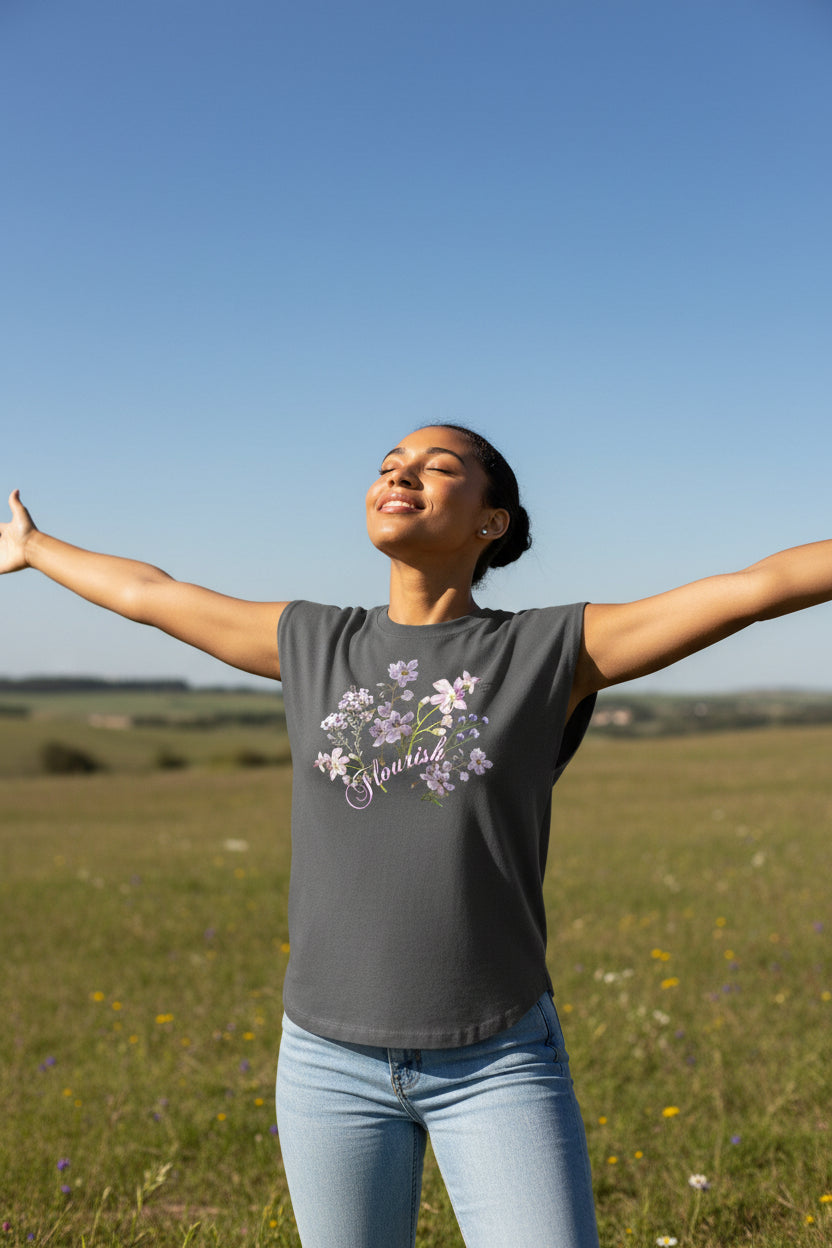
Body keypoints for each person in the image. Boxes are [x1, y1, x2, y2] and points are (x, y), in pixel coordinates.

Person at [2, 423, 831, 1248]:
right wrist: (36, 549)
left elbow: (753, 589)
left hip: (496, 1060)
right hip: (326, 1064)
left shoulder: (549, 649)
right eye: (389, 465)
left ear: (492, 521)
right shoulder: (313, 640)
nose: (401, 476)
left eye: (437, 467)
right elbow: (152, 594)